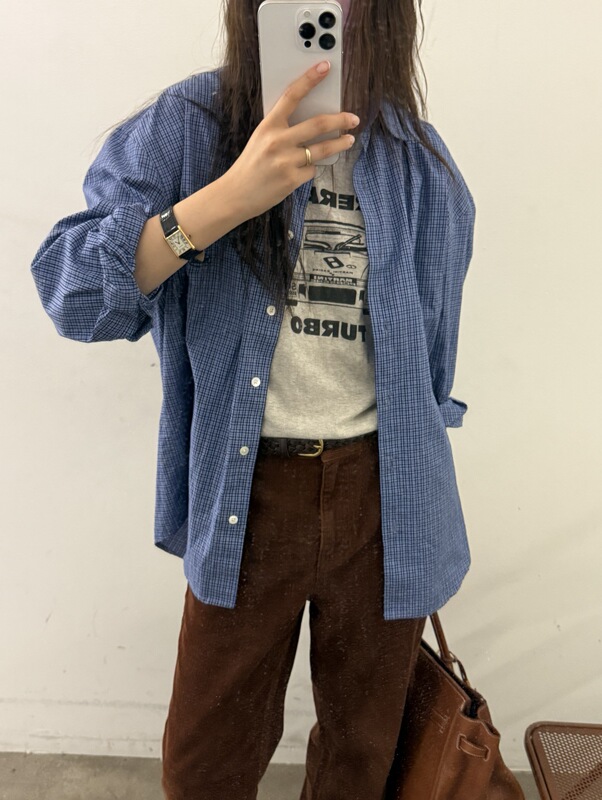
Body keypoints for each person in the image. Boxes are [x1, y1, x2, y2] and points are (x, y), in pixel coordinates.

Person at [30, 0, 476, 797]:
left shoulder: (416, 158)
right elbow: (73, 294)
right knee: (206, 762)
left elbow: (432, 352)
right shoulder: (191, 124)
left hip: (385, 498)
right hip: (250, 492)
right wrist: (225, 200)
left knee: (363, 759)